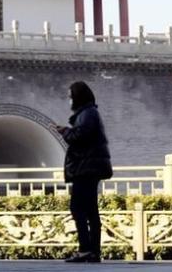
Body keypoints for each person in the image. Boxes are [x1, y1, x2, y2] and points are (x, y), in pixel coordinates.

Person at [54, 82, 113, 263]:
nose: (69, 99)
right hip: (89, 167)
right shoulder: (89, 113)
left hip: (86, 168)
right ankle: (92, 250)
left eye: (71, 96)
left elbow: (80, 137)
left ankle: (86, 249)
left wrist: (65, 132)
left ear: (78, 96)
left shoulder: (87, 114)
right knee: (90, 210)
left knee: (79, 208)